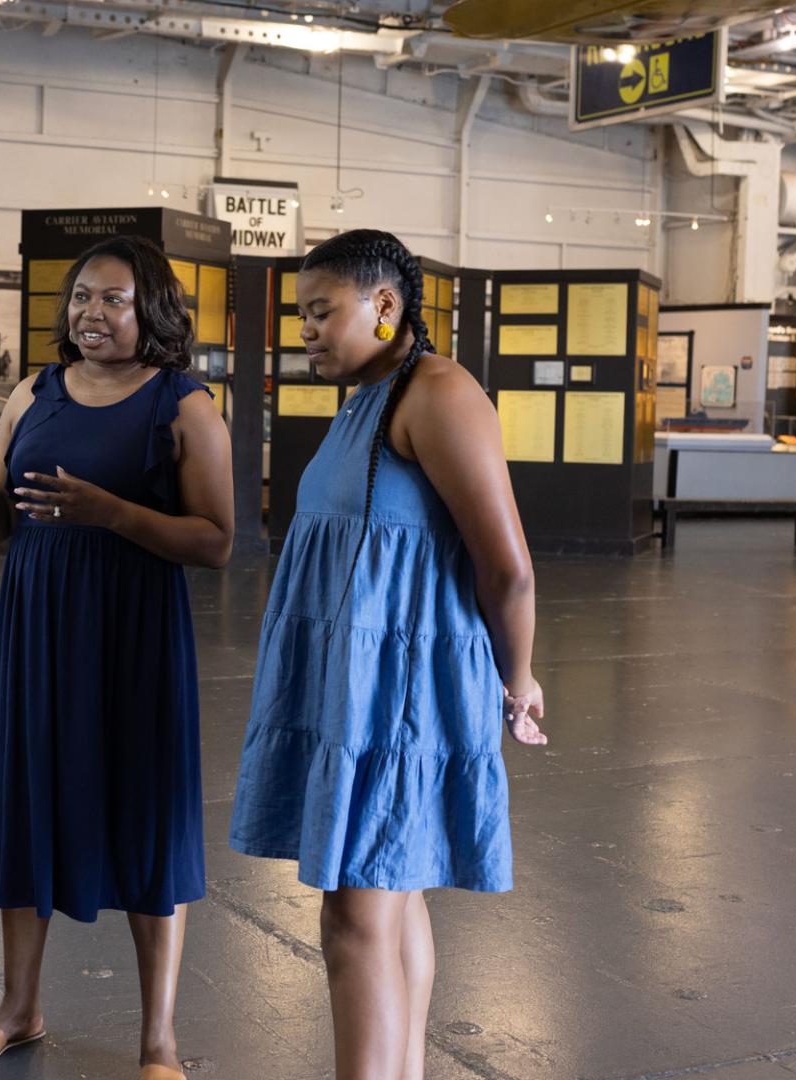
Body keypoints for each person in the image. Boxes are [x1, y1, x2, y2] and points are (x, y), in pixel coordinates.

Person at [228, 229, 548, 1080]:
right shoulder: (373, 396)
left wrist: (517, 680)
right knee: (392, 912)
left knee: (355, 922)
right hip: (360, 690)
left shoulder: (439, 394)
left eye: (321, 312)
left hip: (399, 698)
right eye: (300, 315)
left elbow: (507, 568)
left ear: (386, 306)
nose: (305, 331)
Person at [0, 234, 234, 1078]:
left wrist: (112, 514)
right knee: (27, 802)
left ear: (154, 309)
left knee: (146, 815)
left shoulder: (185, 405)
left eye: (113, 298)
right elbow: (0, 527)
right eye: (80, 297)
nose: (91, 313)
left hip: (134, 635)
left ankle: (158, 1040)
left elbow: (216, 542)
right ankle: (19, 1008)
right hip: (35, 627)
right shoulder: (36, 391)